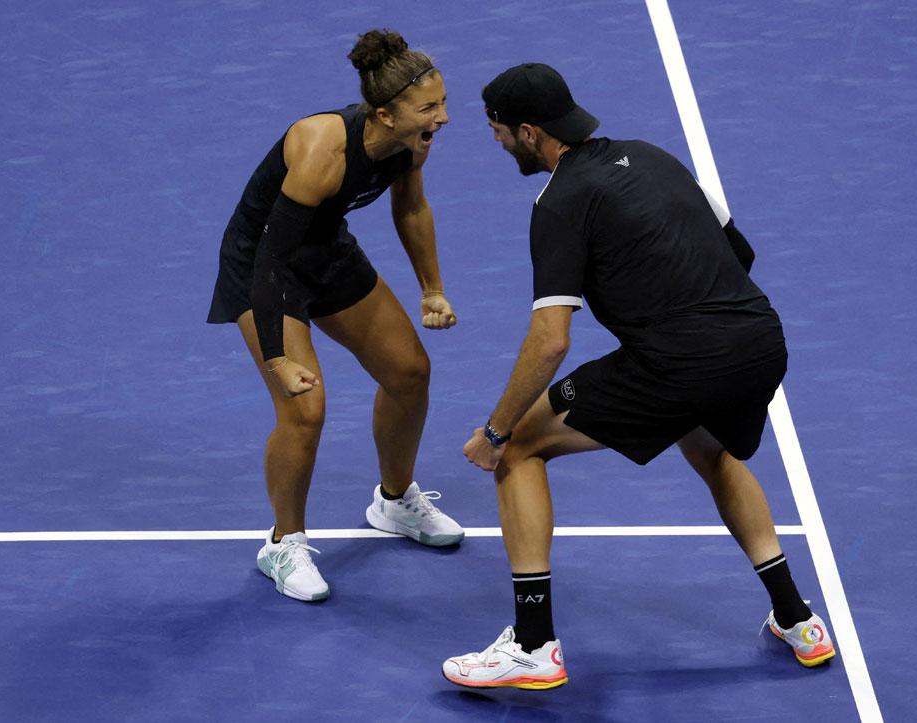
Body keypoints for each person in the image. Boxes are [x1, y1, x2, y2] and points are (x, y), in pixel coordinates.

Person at [441, 63, 836, 688]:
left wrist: (493, 431)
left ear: (529, 132)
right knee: (713, 449)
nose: (494, 142)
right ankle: (798, 619)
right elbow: (740, 254)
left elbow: (550, 343)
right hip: (760, 342)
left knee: (519, 448)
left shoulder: (558, 201)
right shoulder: (655, 156)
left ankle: (534, 645)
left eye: (496, 131)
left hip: (678, 362)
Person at [207, 29, 464, 603]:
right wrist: (276, 355)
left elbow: (412, 206)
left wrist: (432, 290)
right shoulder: (321, 146)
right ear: (383, 114)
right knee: (305, 406)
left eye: (442, 102)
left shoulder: (410, 140)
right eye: (430, 107)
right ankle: (282, 542)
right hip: (262, 267)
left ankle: (395, 502)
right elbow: (272, 259)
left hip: (325, 251)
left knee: (408, 372)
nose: (443, 117)